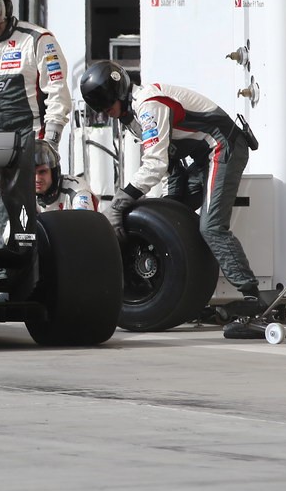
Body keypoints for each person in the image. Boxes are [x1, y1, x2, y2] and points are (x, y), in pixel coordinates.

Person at [79, 60, 265, 335]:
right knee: (172, 222)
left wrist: (121, 200)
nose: (107, 112)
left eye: (108, 105)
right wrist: (168, 208)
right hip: (196, 156)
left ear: (119, 93)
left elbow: (154, 163)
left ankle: (253, 298)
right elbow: (169, 161)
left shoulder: (148, 105)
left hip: (222, 145)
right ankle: (187, 292)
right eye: (102, 109)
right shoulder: (130, 117)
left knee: (211, 227)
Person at [0, 0, 71, 242]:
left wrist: (51, 142)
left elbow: (57, 92)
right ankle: (6, 274)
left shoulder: (38, 38)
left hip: (31, 138)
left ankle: (41, 271)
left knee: (33, 214)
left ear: (7, 6)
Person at [33, 139, 96, 212]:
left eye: (42, 172)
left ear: (54, 172)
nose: (37, 179)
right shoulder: (25, 195)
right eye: (32, 173)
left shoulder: (76, 188)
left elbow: (84, 220)